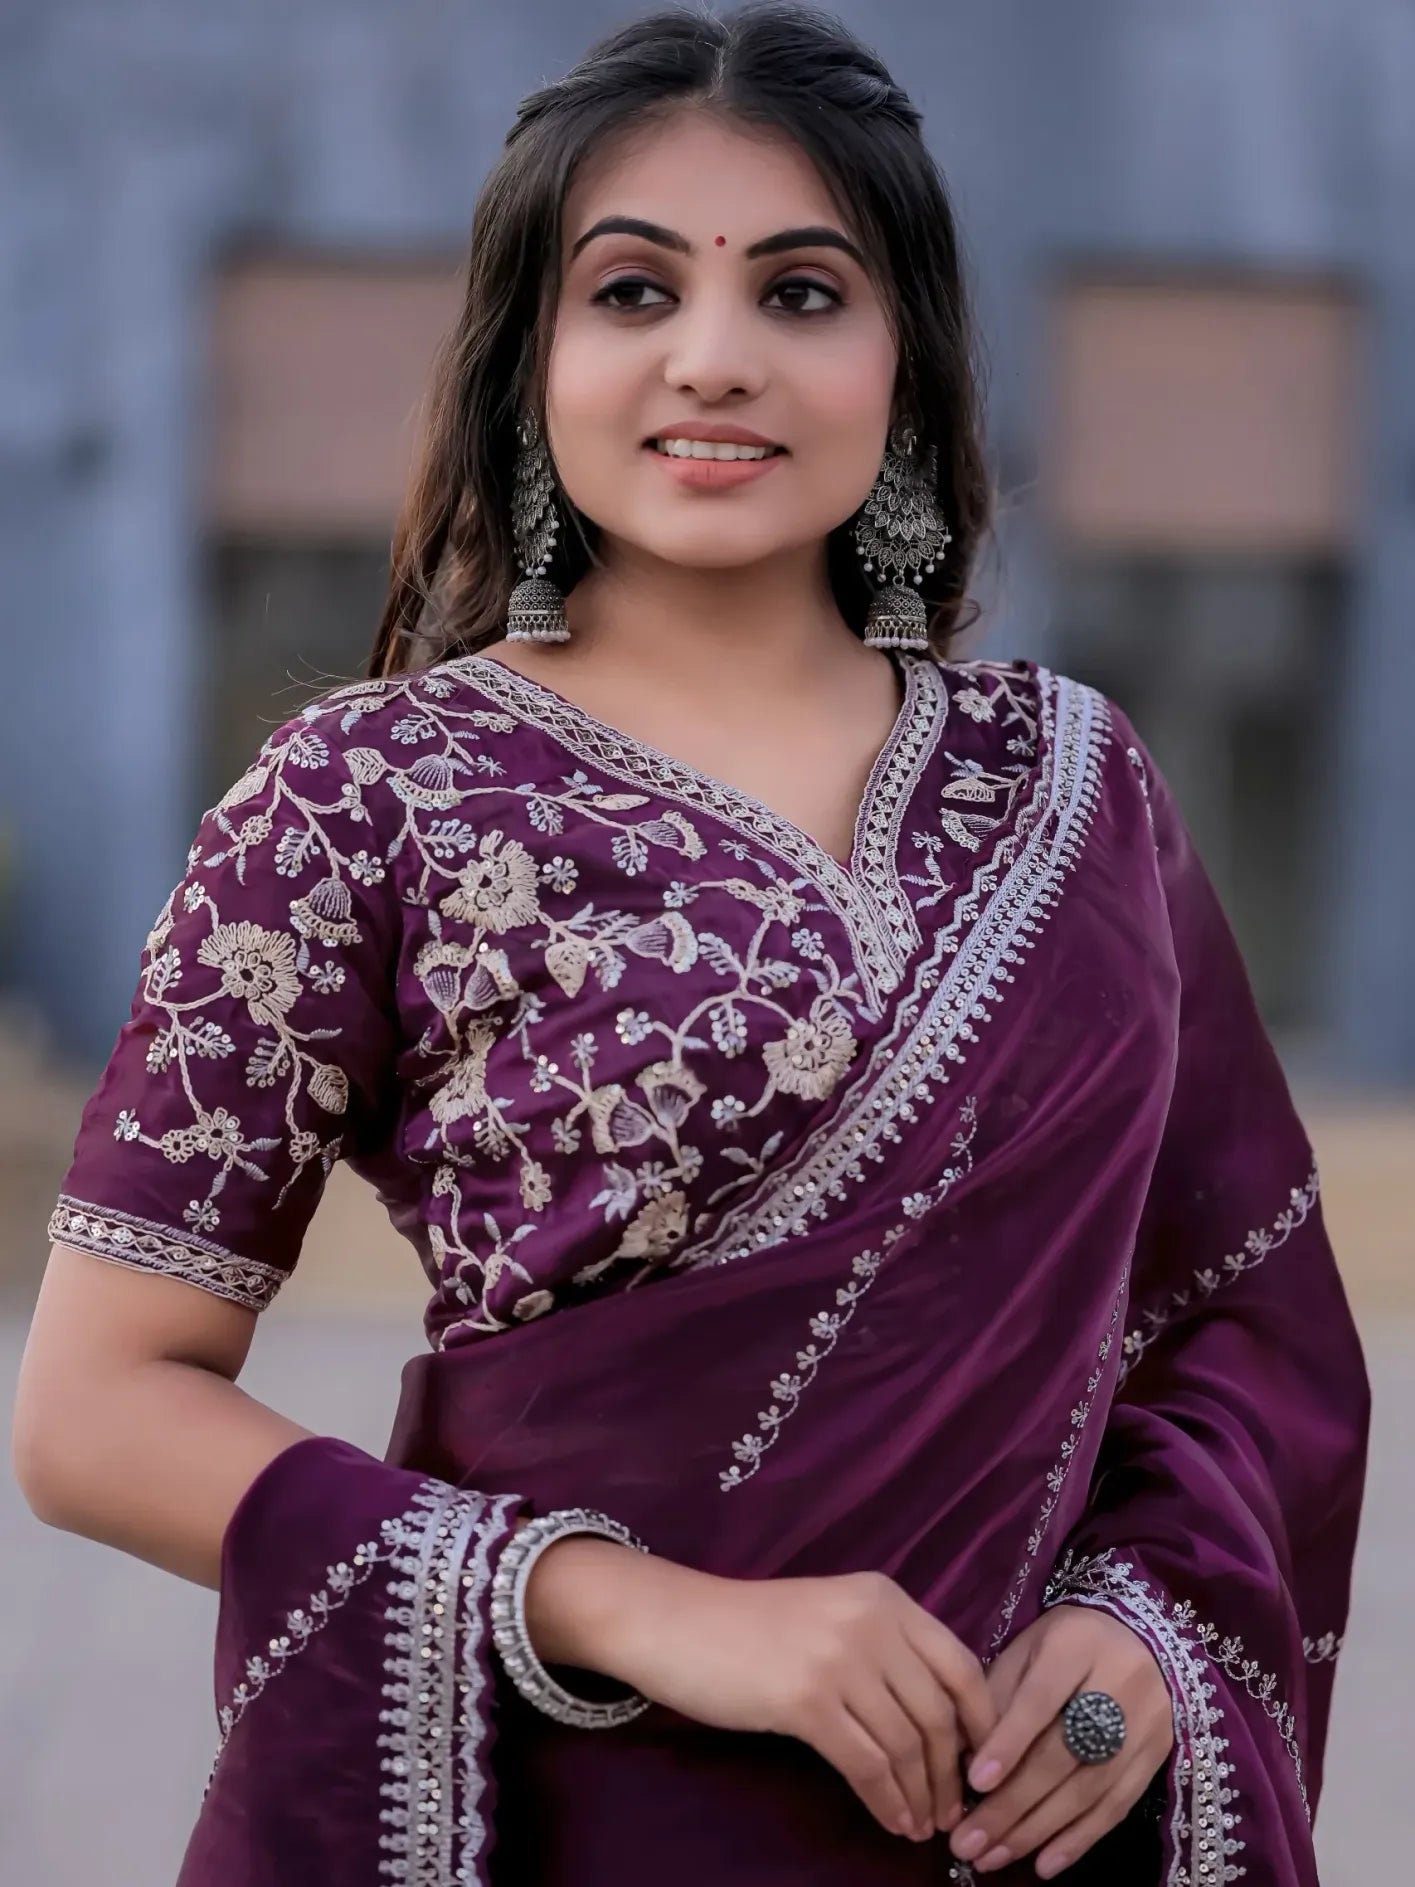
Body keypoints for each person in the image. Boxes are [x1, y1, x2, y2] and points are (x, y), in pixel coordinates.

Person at [12, 7, 1368, 1884]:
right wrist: (639, 1608)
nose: (715, 359)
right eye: (632, 291)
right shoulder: (364, 795)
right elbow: (93, 1408)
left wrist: (1142, 1633)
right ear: (528, 363)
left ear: (904, 363)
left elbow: (1238, 1322)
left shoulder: (1082, 784)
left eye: (804, 295)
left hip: (1032, 1821)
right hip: (580, 1814)